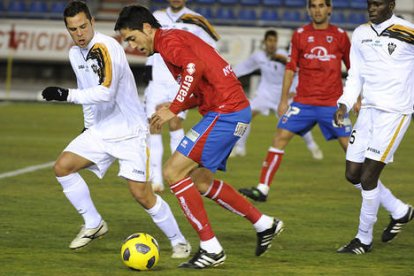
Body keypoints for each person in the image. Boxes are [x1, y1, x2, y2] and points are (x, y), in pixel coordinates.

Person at [115, 5, 284, 269]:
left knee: (173, 172)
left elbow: (194, 67)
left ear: (147, 28)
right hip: (232, 110)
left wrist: (175, 107)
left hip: (226, 112)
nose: (132, 46)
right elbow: (201, 79)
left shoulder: (168, 41)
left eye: (132, 38)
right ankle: (265, 224)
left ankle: (211, 248)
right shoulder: (171, 42)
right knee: (201, 181)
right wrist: (177, 104)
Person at [40, 0, 191, 258]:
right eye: (73, 29)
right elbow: (87, 89)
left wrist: (65, 95)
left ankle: (179, 242)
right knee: (63, 167)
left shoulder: (105, 47)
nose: (79, 33)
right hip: (100, 130)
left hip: (129, 131)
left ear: (92, 22)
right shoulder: (75, 54)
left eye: (83, 26)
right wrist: (87, 127)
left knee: (142, 195)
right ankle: (93, 223)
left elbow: (106, 93)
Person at [238, 0, 352, 202]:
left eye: (321, 6)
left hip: (332, 104)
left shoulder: (341, 36)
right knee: (279, 138)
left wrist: (356, 98)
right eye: (313, 6)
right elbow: (290, 68)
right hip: (303, 102)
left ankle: (373, 189)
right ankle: (262, 189)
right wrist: (283, 101)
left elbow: (353, 70)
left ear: (329, 9)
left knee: (351, 150)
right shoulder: (300, 34)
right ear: (308, 9)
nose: (317, 10)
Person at [335, 0, 414, 254]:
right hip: (367, 111)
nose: (371, 8)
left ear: (391, 5)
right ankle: (400, 211)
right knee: (353, 174)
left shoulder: (407, 30)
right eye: (370, 4)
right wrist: (344, 104)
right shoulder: (360, 34)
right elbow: (355, 75)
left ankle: (363, 240)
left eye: (378, 4)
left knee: (369, 177)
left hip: (394, 114)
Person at [144, 0, 219, 192]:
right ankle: (156, 179)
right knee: (154, 124)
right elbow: (147, 43)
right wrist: (148, 69)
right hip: (158, 80)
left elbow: (210, 49)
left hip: (181, 80)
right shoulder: (156, 17)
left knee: (176, 122)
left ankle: (180, 172)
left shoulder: (196, 20)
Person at [230, 29, 323, 160]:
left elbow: (297, 72)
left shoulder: (284, 56)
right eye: (269, 41)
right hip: (264, 93)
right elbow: (243, 67)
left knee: (297, 123)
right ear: (264, 42)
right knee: (245, 116)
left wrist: (294, 89)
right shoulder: (258, 56)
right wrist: (228, 76)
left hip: (282, 96)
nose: (272, 44)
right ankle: (239, 148)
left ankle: (313, 146)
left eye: (274, 41)